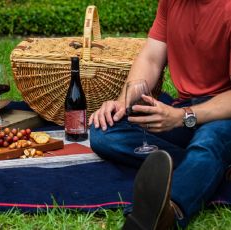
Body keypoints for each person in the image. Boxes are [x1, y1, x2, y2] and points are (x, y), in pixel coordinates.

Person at [89, 0, 231, 229]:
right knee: (104, 130)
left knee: (209, 141)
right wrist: (121, 103)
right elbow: (151, 59)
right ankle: (211, 167)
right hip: (183, 109)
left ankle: (167, 212)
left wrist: (182, 116)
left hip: (223, 113)